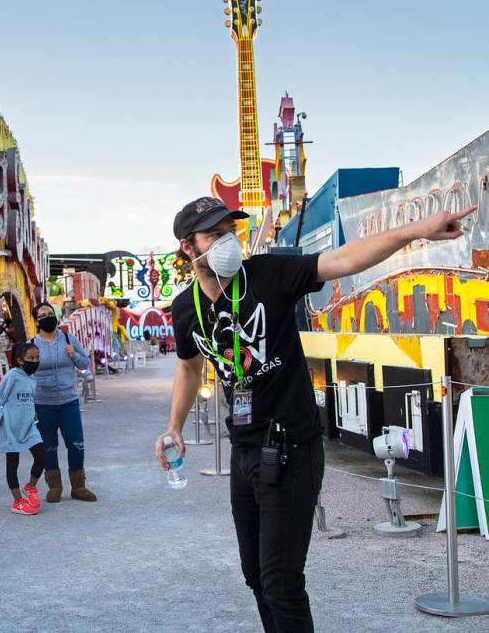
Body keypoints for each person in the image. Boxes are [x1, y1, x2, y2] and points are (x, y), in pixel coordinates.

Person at [156, 196, 476, 633]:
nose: (227, 242)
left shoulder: (268, 274)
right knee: (256, 578)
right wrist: (174, 426)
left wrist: (414, 229)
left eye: (230, 232)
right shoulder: (185, 306)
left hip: (293, 446)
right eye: (214, 235)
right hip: (245, 450)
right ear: (188, 248)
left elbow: (342, 259)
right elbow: (190, 366)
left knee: (281, 582)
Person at [29, 302, 96, 502]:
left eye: (50, 313)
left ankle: (79, 486)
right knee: (48, 446)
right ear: (36, 321)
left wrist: (73, 355)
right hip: (43, 403)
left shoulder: (68, 338)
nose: (47, 317)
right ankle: (55, 486)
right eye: (42, 315)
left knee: (76, 443)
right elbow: (24, 373)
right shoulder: (32, 344)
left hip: (69, 401)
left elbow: (85, 364)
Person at [0, 342, 45, 515]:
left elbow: (31, 401)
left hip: (29, 428)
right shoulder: (12, 376)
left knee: (41, 456)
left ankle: (31, 486)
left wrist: (33, 413)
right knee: (13, 464)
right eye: (31, 358)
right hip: (11, 427)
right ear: (20, 360)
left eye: (37, 358)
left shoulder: (33, 380)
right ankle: (18, 501)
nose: (35, 361)